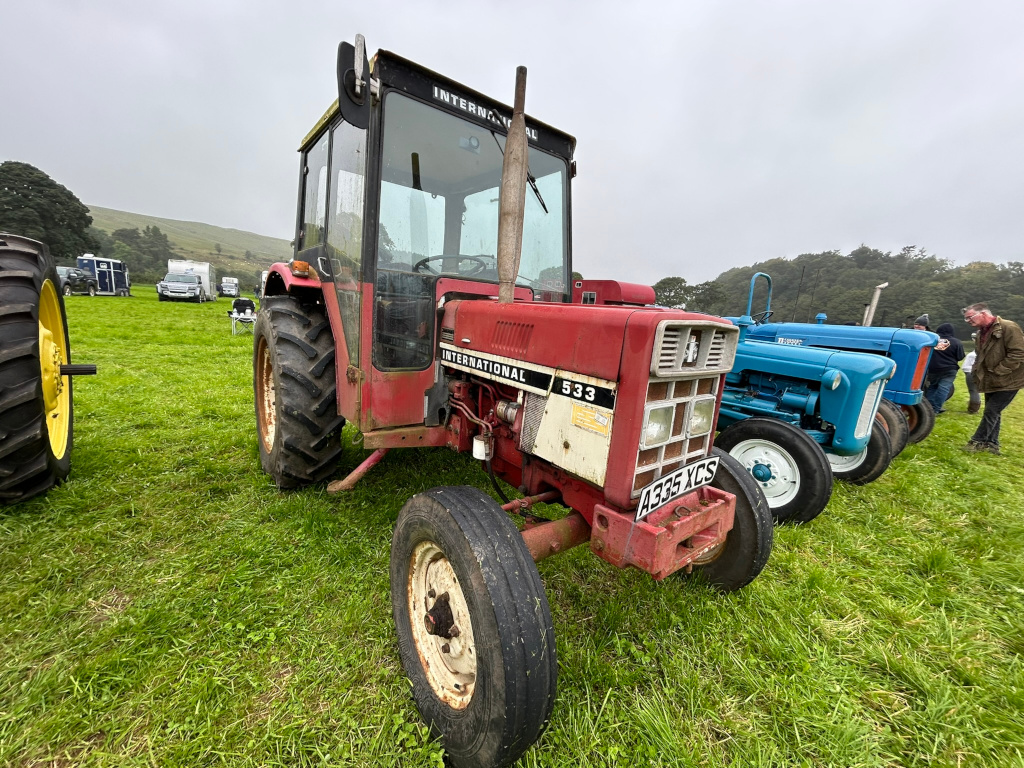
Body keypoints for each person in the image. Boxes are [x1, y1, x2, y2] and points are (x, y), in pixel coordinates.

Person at [963, 303, 1024, 454]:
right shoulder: (980, 333)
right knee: (993, 411)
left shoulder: (1008, 327)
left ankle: (976, 441)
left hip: (1010, 379)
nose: (968, 321)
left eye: (970, 318)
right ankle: (992, 444)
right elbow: (980, 356)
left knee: (991, 411)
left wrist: (999, 370)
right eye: (966, 319)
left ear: (983, 313)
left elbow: (1018, 353)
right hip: (991, 379)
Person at [923, 323, 965, 414]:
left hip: (933, 368)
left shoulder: (932, 341)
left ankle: (927, 408)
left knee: (932, 387)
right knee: (944, 388)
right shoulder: (956, 342)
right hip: (949, 369)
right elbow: (960, 357)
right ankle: (936, 409)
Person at [963, 333, 980, 414]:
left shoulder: (974, 354)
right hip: (973, 371)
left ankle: (973, 409)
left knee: (973, 390)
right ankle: (974, 407)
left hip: (971, 372)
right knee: (974, 390)